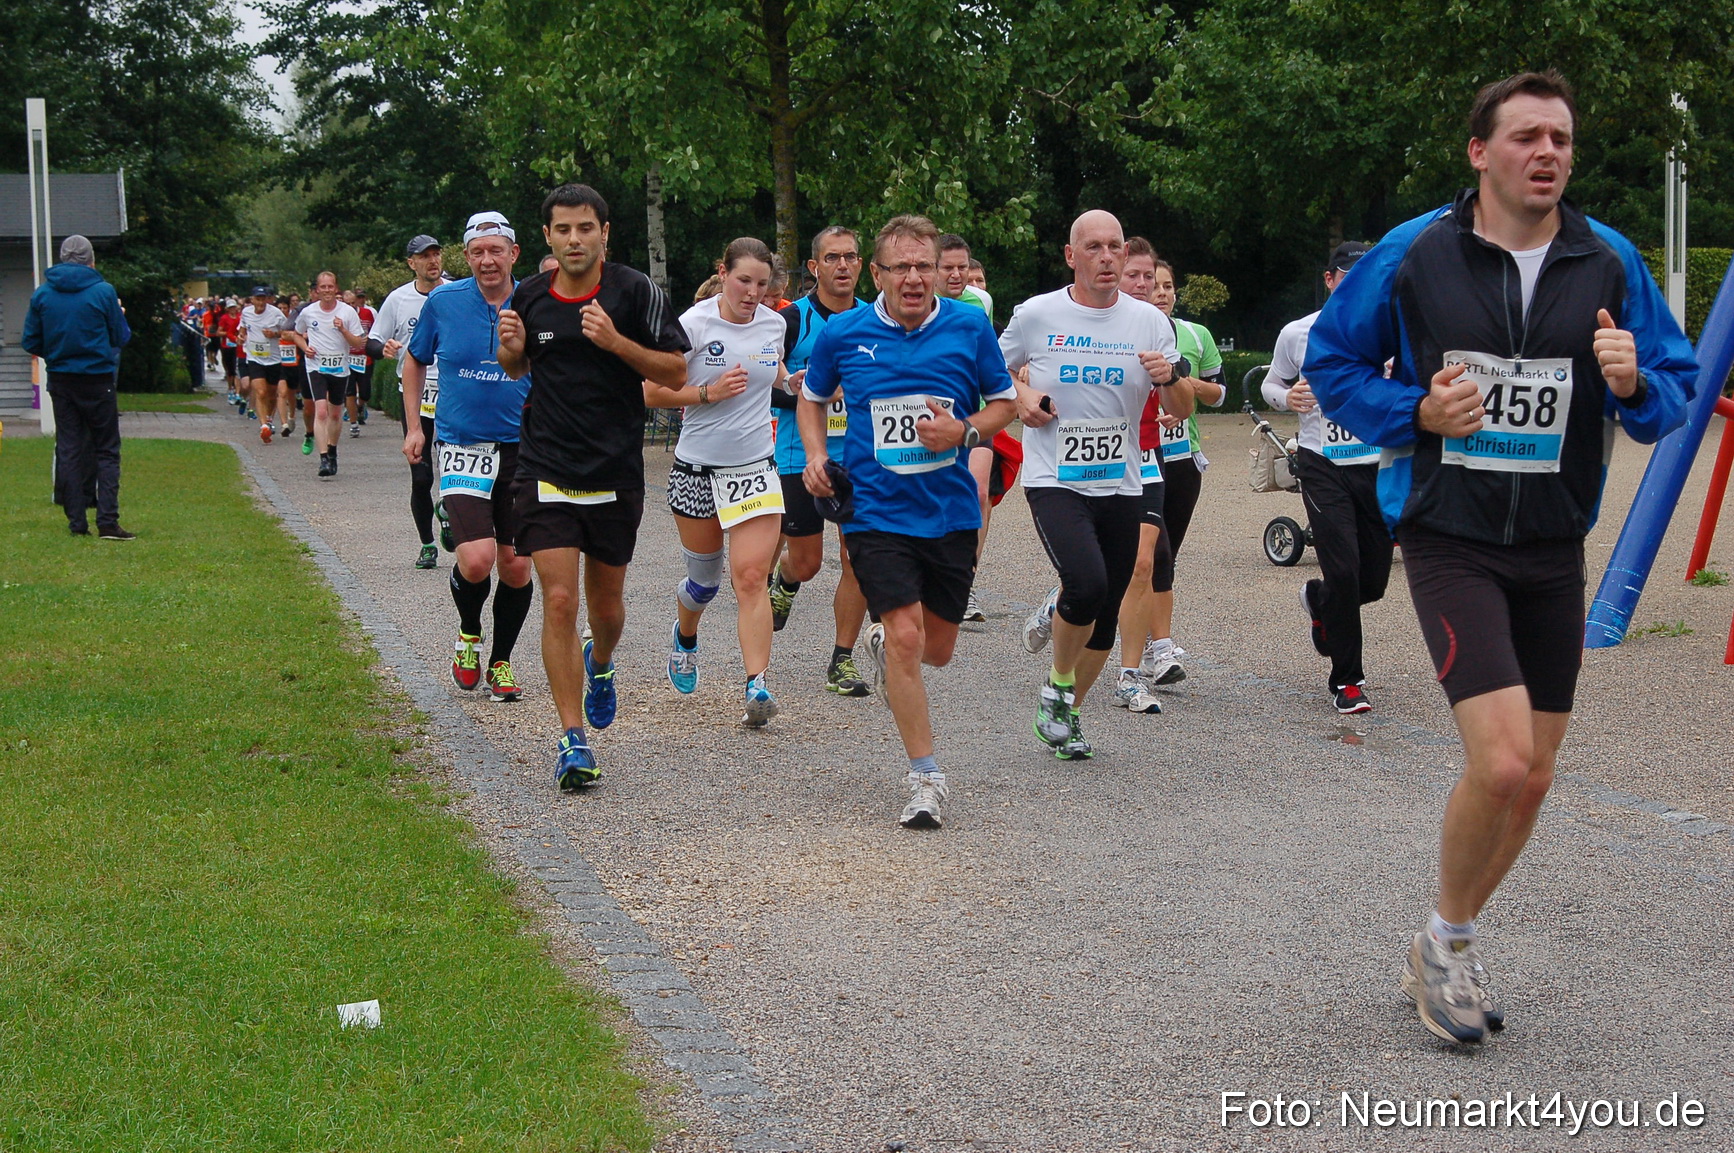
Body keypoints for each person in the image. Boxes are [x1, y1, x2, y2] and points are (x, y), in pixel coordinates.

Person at [1305, 70, 1696, 1045]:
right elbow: (1330, 364)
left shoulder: (1606, 259)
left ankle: (1447, 933)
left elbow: (1673, 388)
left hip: (1554, 544)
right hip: (1449, 534)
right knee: (1506, 756)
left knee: (1537, 773)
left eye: (1560, 137)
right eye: (1525, 136)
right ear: (1481, 152)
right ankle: (1447, 948)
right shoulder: (1413, 253)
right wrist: (1418, 413)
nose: (1547, 152)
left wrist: (1638, 378)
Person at [800, 213, 1017, 828]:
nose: (915, 278)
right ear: (879, 274)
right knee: (905, 637)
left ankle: (887, 648)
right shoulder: (844, 333)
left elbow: (1003, 403)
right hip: (873, 512)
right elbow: (812, 399)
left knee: (938, 650)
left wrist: (965, 430)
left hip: (948, 512)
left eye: (925, 266)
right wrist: (817, 455)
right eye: (902, 267)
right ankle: (925, 776)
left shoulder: (970, 326)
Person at [498, 183, 690, 789]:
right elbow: (518, 366)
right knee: (558, 599)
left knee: (605, 610)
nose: (575, 239)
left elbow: (675, 369)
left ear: (605, 233)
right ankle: (571, 739)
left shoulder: (637, 292)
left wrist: (615, 342)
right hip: (545, 467)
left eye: (586, 228)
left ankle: (601, 661)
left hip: (613, 471)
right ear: (549, 238)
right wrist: (510, 352)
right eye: (563, 230)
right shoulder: (528, 296)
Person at [1008, 211, 1190, 759]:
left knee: (1107, 613)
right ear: (1071, 256)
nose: (1107, 257)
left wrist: (1172, 378)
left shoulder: (1150, 322)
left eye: (1114, 246)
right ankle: (1059, 686)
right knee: (1085, 583)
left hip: (1121, 478)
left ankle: (1068, 716)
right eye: (1094, 247)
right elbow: (990, 373)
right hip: (1054, 475)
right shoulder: (1037, 315)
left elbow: (1178, 410)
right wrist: (1023, 399)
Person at [646, 237, 789, 726]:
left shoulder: (773, 324)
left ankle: (757, 685)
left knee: (752, 578)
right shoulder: (693, 324)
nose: (753, 293)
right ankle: (685, 636)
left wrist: (799, 382)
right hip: (697, 470)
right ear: (723, 273)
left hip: (754, 469)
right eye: (744, 281)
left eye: (762, 284)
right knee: (704, 584)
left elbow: (775, 373)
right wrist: (705, 393)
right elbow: (649, 391)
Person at [404, 211, 535, 705]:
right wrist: (416, 426)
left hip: (524, 450)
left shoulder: (534, 301)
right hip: (461, 443)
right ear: (467, 256)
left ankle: (501, 661)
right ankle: (467, 635)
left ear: (513, 254)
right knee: (478, 560)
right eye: (477, 252)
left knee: (517, 567)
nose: (486, 260)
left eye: (495, 250)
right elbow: (415, 359)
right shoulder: (444, 300)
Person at [1263, 241, 1388, 714]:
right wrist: (1287, 398)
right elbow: (1272, 383)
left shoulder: (1388, 329)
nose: (1357, 285)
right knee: (1343, 569)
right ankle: (1348, 680)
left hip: (1375, 462)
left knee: (1370, 581)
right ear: (1330, 279)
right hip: (1322, 462)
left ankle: (1319, 602)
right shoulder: (1299, 333)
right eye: (1348, 276)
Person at [767, 225, 874, 696]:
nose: (844, 266)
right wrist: (813, 392)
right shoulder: (790, 320)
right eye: (833, 258)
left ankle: (842, 660)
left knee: (860, 561)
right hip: (799, 455)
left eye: (851, 257)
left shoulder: (876, 318)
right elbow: (768, 382)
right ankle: (786, 581)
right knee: (808, 562)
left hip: (862, 459)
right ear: (814, 267)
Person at [1143, 254, 1225, 683]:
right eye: (1153, 284)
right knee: (1152, 556)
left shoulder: (1197, 335)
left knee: (1166, 556)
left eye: (1168, 286)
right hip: (1140, 459)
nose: (1161, 293)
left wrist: (1183, 389)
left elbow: (1219, 394)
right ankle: (1161, 649)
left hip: (1184, 459)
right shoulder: (1129, 332)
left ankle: (1145, 639)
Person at [23, 234, 134, 540]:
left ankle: (76, 523)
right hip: (98, 379)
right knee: (107, 449)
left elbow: (30, 341)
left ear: (61, 259)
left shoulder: (43, 294)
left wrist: (58, 352)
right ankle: (108, 521)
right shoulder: (103, 292)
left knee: (69, 448)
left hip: (60, 378)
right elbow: (120, 337)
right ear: (91, 260)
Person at [936, 233, 1009, 623]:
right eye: (948, 267)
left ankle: (965, 582)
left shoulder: (979, 302)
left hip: (973, 413)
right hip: (927, 415)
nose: (957, 274)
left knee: (979, 491)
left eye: (962, 267)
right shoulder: (909, 300)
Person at [369, 234, 447, 569]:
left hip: (452, 394)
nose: (432, 261)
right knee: (421, 476)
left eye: (436, 254)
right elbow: (371, 341)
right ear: (411, 263)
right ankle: (427, 544)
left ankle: (449, 510)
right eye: (424, 256)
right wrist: (382, 348)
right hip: (414, 396)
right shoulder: (398, 300)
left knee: (456, 466)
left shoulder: (456, 293)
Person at [289, 271, 368, 478]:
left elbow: (358, 343)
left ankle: (332, 450)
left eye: (330, 287)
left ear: (336, 288)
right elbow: (296, 334)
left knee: (334, 413)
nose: (326, 291)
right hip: (316, 367)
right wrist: (305, 347)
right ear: (317, 290)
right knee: (321, 411)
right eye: (322, 287)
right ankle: (323, 457)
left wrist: (343, 330)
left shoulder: (347, 312)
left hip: (339, 368)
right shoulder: (308, 312)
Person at [238, 286, 288, 443]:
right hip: (255, 358)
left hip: (274, 359)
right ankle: (264, 426)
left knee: (272, 393)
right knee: (260, 392)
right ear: (252, 299)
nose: (260, 302)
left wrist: (274, 334)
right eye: (257, 299)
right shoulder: (246, 313)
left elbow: (288, 332)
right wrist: (240, 337)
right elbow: (243, 330)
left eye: (263, 299)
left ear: (267, 299)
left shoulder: (276, 314)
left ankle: (269, 418)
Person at [345, 289, 375, 433]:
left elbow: (374, 331)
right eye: (347, 303)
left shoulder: (367, 314)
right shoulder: (340, 316)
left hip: (365, 358)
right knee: (349, 392)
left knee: (365, 392)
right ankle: (353, 424)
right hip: (347, 358)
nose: (350, 306)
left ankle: (361, 405)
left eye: (353, 302)